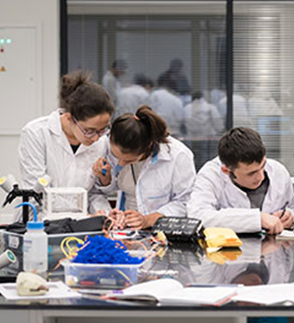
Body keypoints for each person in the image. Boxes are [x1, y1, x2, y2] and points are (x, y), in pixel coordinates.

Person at [18, 70, 114, 214]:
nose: (96, 138)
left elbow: (94, 194)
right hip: (39, 223)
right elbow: (36, 194)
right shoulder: (36, 133)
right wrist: (81, 218)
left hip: (83, 225)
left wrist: (103, 213)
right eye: (89, 130)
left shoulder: (100, 142)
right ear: (69, 118)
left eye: (102, 130)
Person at [93, 105, 196, 229]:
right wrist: (106, 179)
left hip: (162, 229)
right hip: (124, 227)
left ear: (148, 147)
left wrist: (148, 220)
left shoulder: (178, 156)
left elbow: (185, 203)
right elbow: (105, 191)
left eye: (129, 160)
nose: (120, 163)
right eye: (116, 156)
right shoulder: (113, 145)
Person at [187, 127, 294, 234]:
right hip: (228, 252)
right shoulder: (211, 175)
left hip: (274, 250)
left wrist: (291, 218)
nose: (260, 176)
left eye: (262, 166)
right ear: (226, 170)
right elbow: (198, 217)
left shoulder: (278, 171)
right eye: (251, 173)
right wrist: (257, 219)